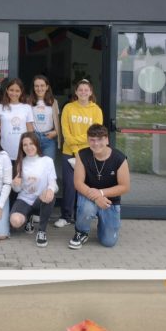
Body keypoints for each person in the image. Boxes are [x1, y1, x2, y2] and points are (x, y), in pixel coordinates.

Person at [69, 124, 130, 249]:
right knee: (87, 208)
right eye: (92, 140)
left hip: (109, 201)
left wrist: (101, 193)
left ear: (107, 140)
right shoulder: (82, 155)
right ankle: (81, 231)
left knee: (108, 242)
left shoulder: (119, 158)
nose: (96, 143)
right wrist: (97, 197)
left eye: (100, 139)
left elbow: (125, 187)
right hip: (88, 196)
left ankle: (103, 224)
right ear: (88, 140)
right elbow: (78, 183)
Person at [57, 78, 104, 228]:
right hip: (69, 152)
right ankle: (66, 216)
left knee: (85, 185)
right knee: (69, 185)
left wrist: (78, 145)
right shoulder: (68, 108)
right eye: (80, 90)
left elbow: (95, 133)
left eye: (86, 90)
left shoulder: (96, 110)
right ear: (76, 92)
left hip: (89, 152)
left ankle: (81, 216)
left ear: (90, 92)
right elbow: (66, 133)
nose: (83, 92)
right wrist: (76, 150)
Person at [9, 132, 58, 248]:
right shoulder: (20, 163)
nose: (29, 147)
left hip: (40, 199)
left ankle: (41, 231)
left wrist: (51, 190)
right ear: (22, 147)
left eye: (31, 144)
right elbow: (17, 190)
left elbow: (53, 184)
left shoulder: (47, 161)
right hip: (24, 199)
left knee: (49, 195)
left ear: (37, 144)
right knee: (15, 222)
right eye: (25, 145)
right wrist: (14, 184)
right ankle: (27, 218)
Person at [0, 78, 35, 167]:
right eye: (11, 90)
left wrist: (31, 146)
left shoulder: (27, 108)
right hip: (4, 149)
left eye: (17, 91)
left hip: (23, 150)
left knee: (21, 175)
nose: (14, 93)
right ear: (7, 90)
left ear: (21, 92)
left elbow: (30, 130)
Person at [28, 75, 61, 161]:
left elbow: (57, 121)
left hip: (48, 139)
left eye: (42, 85)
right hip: (33, 138)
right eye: (36, 86)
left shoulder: (53, 102)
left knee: (48, 165)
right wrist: (31, 135)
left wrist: (56, 132)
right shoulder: (28, 102)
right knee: (33, 165)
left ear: (47, 87)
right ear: (33, 88)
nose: (39, 88)